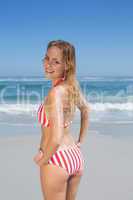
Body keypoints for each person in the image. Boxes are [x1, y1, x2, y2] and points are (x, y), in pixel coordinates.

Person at [33, 40, 90, 200]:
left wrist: (44, 160)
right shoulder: (71, 87)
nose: (48, 64)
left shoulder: (55, 93)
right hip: (75, 156)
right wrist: (80, 142)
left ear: (66, 65)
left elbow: (56, 137)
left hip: (56, 159)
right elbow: (86, 110)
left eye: (56, 61)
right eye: (47, 58)